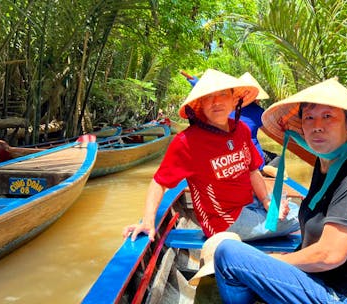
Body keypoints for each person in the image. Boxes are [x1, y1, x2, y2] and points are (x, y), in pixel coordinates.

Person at [213, 78, 347, 304]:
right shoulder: (324, 166)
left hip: (346, 297)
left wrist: (276, 260)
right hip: (321, 284)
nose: (317, 125)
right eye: (309, 117)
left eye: (328, 116)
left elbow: (330, 255)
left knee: (228, 254)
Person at [123, 69, 299, 242]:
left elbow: (253, 172)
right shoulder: (186, 141)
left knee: (294, 208)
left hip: (251, 203)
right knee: (302, 217)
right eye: (208, 97)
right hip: (223, 221)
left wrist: (267, 201)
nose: (216, 102)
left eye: (223, 94)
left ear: (233, 100)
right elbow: (159, 182)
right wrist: (148, 221)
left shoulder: (241, 130)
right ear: (200, 105)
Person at [230, 72, 283, 178]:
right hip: (253, 157)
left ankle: (260, 170)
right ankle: (262, 171)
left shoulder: (225, 108)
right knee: (279, 159)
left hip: (231, 157)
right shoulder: (258, 111)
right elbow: (272, 132)